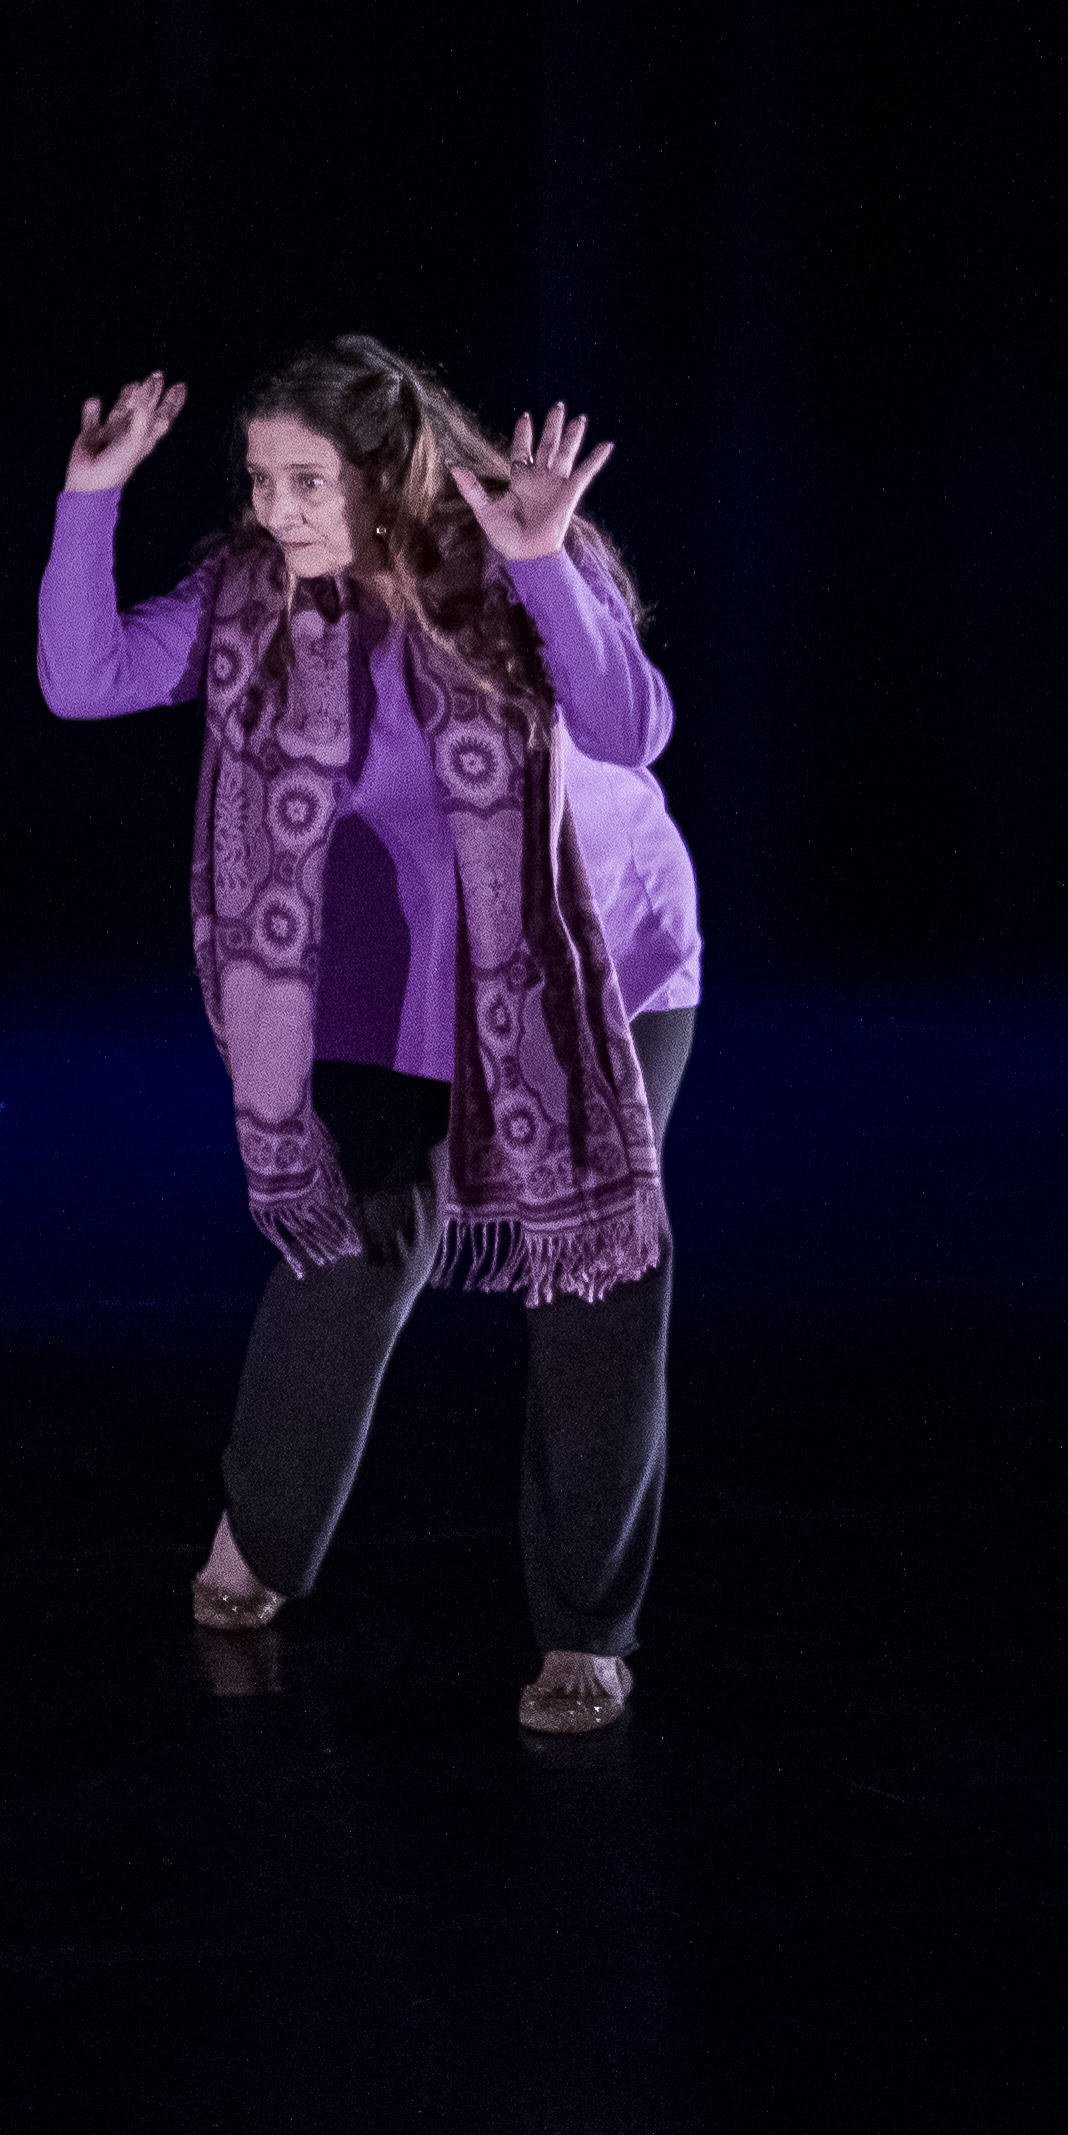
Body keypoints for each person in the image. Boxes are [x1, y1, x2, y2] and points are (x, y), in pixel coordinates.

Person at [38, 338, 700, 1736]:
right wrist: (88, 495)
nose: (276, 509)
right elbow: (83, 678)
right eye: (261, 480)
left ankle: (587, 1625)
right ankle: (261, 1543)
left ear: (387, 479)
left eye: (307, 481)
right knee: (343, 1253)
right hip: (389, 984)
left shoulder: (506, 569)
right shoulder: (248, 602)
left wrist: (545, 560)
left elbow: (632, 728)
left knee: (591, 1278)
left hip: (592, 978)